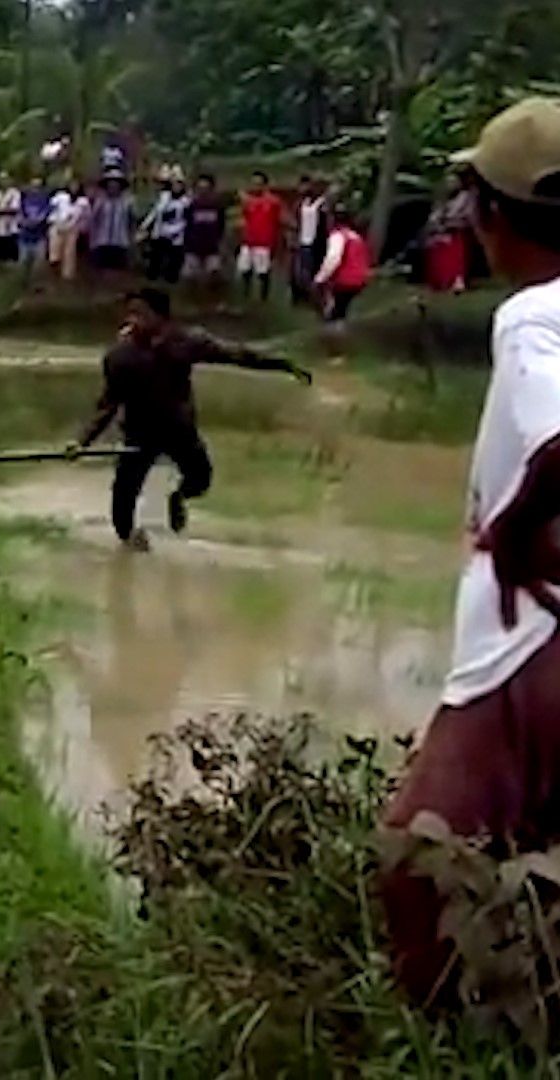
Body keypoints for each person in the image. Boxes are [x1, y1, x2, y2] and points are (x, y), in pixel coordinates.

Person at [380, 96, 560, 1005]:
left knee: (423, 851)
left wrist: (520, 523)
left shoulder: (534, 317)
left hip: (531, 634)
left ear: (491, 217)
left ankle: (441, 1042)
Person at [68, 287, 312, 551]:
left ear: (161, 317)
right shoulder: (120, 356)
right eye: (129, 314)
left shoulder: (186, 341)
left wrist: (283, 365)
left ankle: (176, 497)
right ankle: (130, 544)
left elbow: (237, 355)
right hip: (140, 432)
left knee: (200, 480)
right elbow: (107, 405)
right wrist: (81, 441)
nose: (132, 321)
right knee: (123, 497)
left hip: (178, 429)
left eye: (140, 313)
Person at [311, 204, 372, 335]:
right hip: (359, 280)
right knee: (341, 309)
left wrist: (319, 279)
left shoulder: (338, 236)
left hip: (344, 280)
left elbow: (333, 259)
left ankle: (334, 342)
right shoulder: (355, 236)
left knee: (334, 313)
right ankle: (339, 335)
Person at [425, 172, 476, 295]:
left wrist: (450, 221)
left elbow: (467, 215)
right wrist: (437, 223)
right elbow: (435, 215)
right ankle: (441, 281)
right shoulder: (442, 200)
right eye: (448, 182)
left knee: (457, 257)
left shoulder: (465, 197)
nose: (451, 185)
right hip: (441, 232)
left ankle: (457, 281)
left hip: (458, 231)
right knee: (437, 253)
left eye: (453, 182)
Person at [238, 171, 283, 301]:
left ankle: (264, 297)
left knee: (263, 271)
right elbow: (244, 218)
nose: (255, 186)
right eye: (254, 184)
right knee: (244, 269)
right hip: (248, 240)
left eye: (258, 184)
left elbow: (278, 221)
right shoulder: (247, 201)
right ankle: (245, 295)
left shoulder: (273, 201)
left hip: (264, 242)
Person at [142, 174, 190, 285]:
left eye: (179, 184)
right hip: (160, 234)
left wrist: (177, 232)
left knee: (173, 266)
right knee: (155, 262)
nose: (176, 187)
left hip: (177, 237)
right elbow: (154, 213)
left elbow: (186, 220)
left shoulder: (186, 201)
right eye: (174, 184)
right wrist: (144, 227)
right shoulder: (164, 197)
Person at [290, 176, 331, 304]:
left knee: (312, 270)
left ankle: (313, 297)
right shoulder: (301, 203)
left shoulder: (322, 204)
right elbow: (296, 221)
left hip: (316, 243)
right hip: (302, 241)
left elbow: (327, 223)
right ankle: (299, 296)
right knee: (297, 270)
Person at [184, 174, 227, 286]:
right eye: (200, 188)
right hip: (193, 247)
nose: (203, 191)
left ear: (211, 189)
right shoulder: (191, 205)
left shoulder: (218, 205)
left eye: (206, 188)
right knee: (189, 278)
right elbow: (187, 225)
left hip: (212, 247)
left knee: (214, 279)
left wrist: (221, 245)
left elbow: (222, 226)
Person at [90, 174, 135, 274]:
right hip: (102, 242)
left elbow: (131, 221)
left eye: (116, 183)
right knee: (101, 272)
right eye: (110, 184)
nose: (113, 186)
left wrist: (131, 240)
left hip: (120, 243)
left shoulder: (127, 203)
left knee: (118, 273)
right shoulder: (100, 201)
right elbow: (94, 221)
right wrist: (92, 242)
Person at [48, 179, 88, 282]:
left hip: (73, 229)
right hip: (57, 225)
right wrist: (55, 220)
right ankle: (54, 265)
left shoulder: (83, 202)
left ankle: (67, 276)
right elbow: (51, 208)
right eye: (72, 185)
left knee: (69, 252)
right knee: (55, 249)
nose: (74, 187)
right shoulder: (60, 197)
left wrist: (82, 227)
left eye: (76, 185)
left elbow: (85, 216)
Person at [19, 177, 53, 278]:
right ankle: (23, 283)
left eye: (38, 187)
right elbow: (19, 215)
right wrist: (24, 222)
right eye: (33, 186)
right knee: (24, 262)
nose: (35, 189)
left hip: (39, 236)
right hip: (25, 236)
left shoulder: (46, 200)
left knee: (39, 265)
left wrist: (36, 221)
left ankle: (37, 286)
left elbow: (46, 214)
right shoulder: (24, 200)